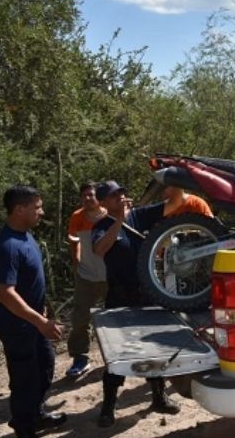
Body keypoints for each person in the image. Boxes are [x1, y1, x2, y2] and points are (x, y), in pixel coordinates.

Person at [91, 180, 180, 427]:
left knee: (154, 347)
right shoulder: (101, 226)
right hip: (120, 297)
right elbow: (99, 249)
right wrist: (119, 220)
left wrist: (174, 176)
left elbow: (175, 202)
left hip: (147, 294)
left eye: (121, 192)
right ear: (103, 202)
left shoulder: (141, 215)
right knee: (117, 353)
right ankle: (108, 406)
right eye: (114, 195)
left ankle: (159, 397)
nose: (120, 196)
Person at [0, 185, 66, 438]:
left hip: (33, 321)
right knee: (25, 379)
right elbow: (5, 293)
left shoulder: (26, 235)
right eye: (37, 207)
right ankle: (24, 428)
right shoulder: (8, 245)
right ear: (19, 209)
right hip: (17, 326)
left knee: (45, 366)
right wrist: (40, 321)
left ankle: (36, 415)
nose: (42, 212)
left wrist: (40, 313)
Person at [65, 182, 108, 377]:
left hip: (110, 276)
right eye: (84, 195)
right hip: (86, 276)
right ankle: (80, 358)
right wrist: (77, 267)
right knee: (80, 319)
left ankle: (118, 356)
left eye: (91, 194)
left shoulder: (110, 215)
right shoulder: (77, 217)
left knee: (116, 317)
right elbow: (74, 242)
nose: (88, 198)